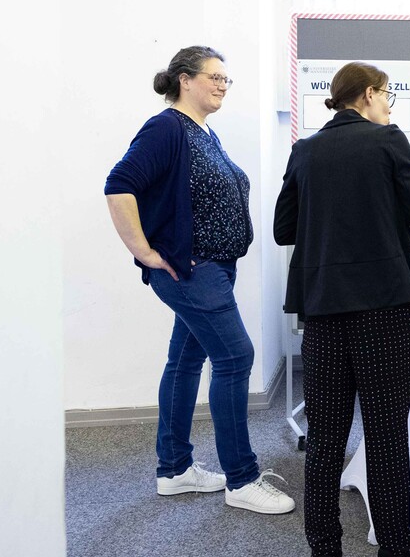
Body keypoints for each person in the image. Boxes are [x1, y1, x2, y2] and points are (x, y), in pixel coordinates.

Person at [105, 46, 295, 515]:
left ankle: (174, 469)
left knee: (185, 361)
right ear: (184, 79)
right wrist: (144, 253)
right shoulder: (166, 127)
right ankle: (242, 479)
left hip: (212, 268)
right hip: (191, 269)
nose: (222, 86)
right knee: (235, 356)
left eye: (227, 80)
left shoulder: (204, 132)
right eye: (214, 77)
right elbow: (119, 184)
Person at [273, 62, 410, 557]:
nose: (389, 104)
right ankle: (394, 548)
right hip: (383, 312)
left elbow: (284, 229)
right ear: (367, 94)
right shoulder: (390, 141)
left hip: (323, 315)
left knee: (325, 442)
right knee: (387, 438)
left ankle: (324, 549)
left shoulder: (304, 150)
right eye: (387, 94)